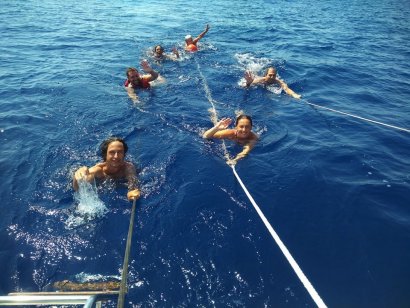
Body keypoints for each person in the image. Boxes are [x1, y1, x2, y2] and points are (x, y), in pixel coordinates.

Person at [73, 137, 141, 201]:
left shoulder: (128, 167)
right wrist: (78, 177)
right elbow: (78, 187)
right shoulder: (98, 170)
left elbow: (133, 184)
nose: (116, 156)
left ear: (124, 155)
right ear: (105, 155)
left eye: (120, 152)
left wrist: (132, 192)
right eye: (112, 152)